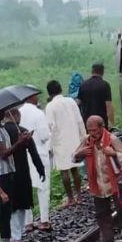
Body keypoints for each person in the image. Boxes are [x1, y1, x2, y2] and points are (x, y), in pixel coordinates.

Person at [73, 116, 122, 242]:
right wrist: (79, 154)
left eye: (95, 130)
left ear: (102, 127)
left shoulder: (112, 139)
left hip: (116, 183)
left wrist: (113, 153)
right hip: (98, 185)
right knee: (102, 217)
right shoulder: (87, 141)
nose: (92, 133)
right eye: (90, 130)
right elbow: (74, 157)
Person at [0, 110, 34, 242]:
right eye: (2, 111)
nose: (4, 113)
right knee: (5, 210)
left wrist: (23, 140)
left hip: (9, 171)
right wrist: (19, 143)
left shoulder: (1, 128)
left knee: (9, 207)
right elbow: (3, 154)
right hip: (1, 174)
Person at [46, 79, 87, 208]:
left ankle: (70, 198)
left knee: (64, 170)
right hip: (74, 138)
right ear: (60, 89)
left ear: (49, 93)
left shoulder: (50, 106)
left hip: (60, 141)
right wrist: (83, 138)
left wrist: (49, 146)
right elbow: (80, 120)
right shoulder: (71, 101)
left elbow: (50, 127)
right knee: (75, 168)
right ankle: (79, 195)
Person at [6, 108, 46, 237]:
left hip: (6, 174)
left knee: (11, 205)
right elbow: (34, 154)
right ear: (16, 116)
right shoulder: (23, 132)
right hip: (22, 172)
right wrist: (41, 169)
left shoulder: (0, 133)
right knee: (23, 203)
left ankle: (14, 234)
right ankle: (19, 234)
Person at [17, 92, 52, 231]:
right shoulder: (38, 113)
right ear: (30, 97)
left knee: (26, 187)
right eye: (36, 95)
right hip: (39, 154)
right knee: (42, 187)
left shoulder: (18, 113)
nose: (38, 97)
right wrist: (50, 133)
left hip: (22, 155)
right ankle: (44, 220)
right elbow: (43, 136)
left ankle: (28, 223)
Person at [77, 62, 114, 126]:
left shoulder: (83, 85)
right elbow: (108, 106)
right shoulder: (105, 85)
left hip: (87, 123)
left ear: (92, 71)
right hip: (101, 123)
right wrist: (112, 123)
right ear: (102, 72)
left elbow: (78, 103)